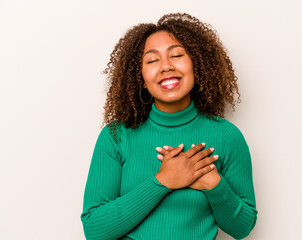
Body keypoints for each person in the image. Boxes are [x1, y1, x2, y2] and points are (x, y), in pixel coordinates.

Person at [80, 12, 258, 240]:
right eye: (153, 60)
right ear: (141, 79)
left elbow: (242, 228)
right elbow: (94, 230)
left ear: (196, 64)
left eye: (176, 55)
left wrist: (214, 184)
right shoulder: (115, 136)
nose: (166, 66)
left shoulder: (226, 136)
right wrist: (163, 181)